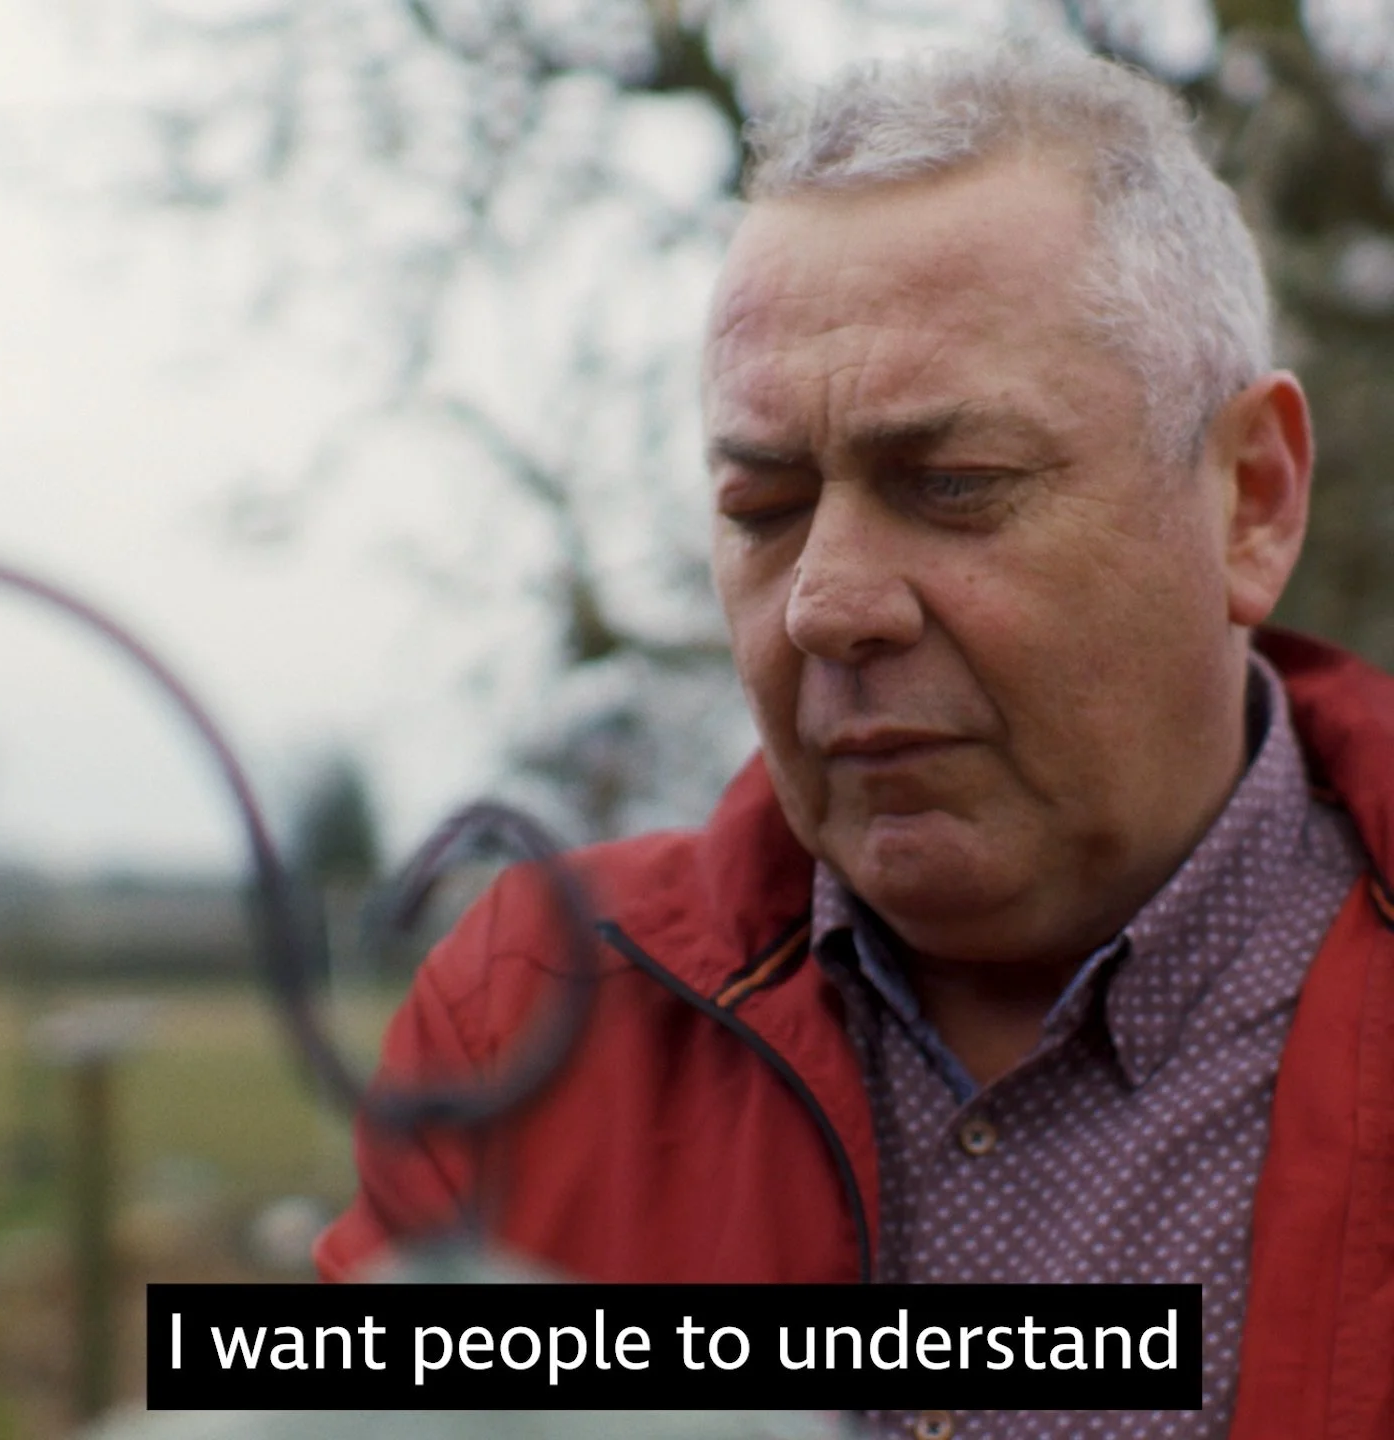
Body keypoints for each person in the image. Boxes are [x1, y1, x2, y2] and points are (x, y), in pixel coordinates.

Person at [316, 41, 1394, 1439]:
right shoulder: (525, 1026)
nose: (825, 602)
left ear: (1250, 498)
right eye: (764, 507)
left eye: (954, 486)